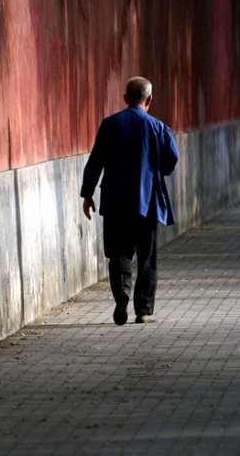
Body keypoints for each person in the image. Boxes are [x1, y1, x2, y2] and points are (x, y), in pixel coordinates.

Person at [80, 76, 178, 325]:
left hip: (115, 202)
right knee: (147, 257)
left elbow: (96, 161)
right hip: (148, 202)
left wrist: (87, 193)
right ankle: (144, 311)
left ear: (125, 98)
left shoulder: (110, 124)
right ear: (150, 100)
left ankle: (122, 292)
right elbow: (171, 160)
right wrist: (158, 170)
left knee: (119, 254)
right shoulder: (158, 127)